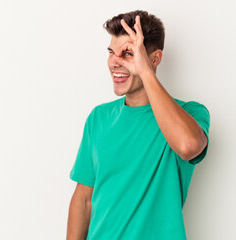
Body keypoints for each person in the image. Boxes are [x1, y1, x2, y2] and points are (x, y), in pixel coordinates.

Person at [66, 10, 210, 240]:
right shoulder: (99, 118)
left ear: (154, 59)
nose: (115, 62)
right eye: (112, 52)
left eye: (128, 53)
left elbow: (189, 145)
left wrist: (144, 70)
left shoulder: (190, 113)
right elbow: (83, 199)